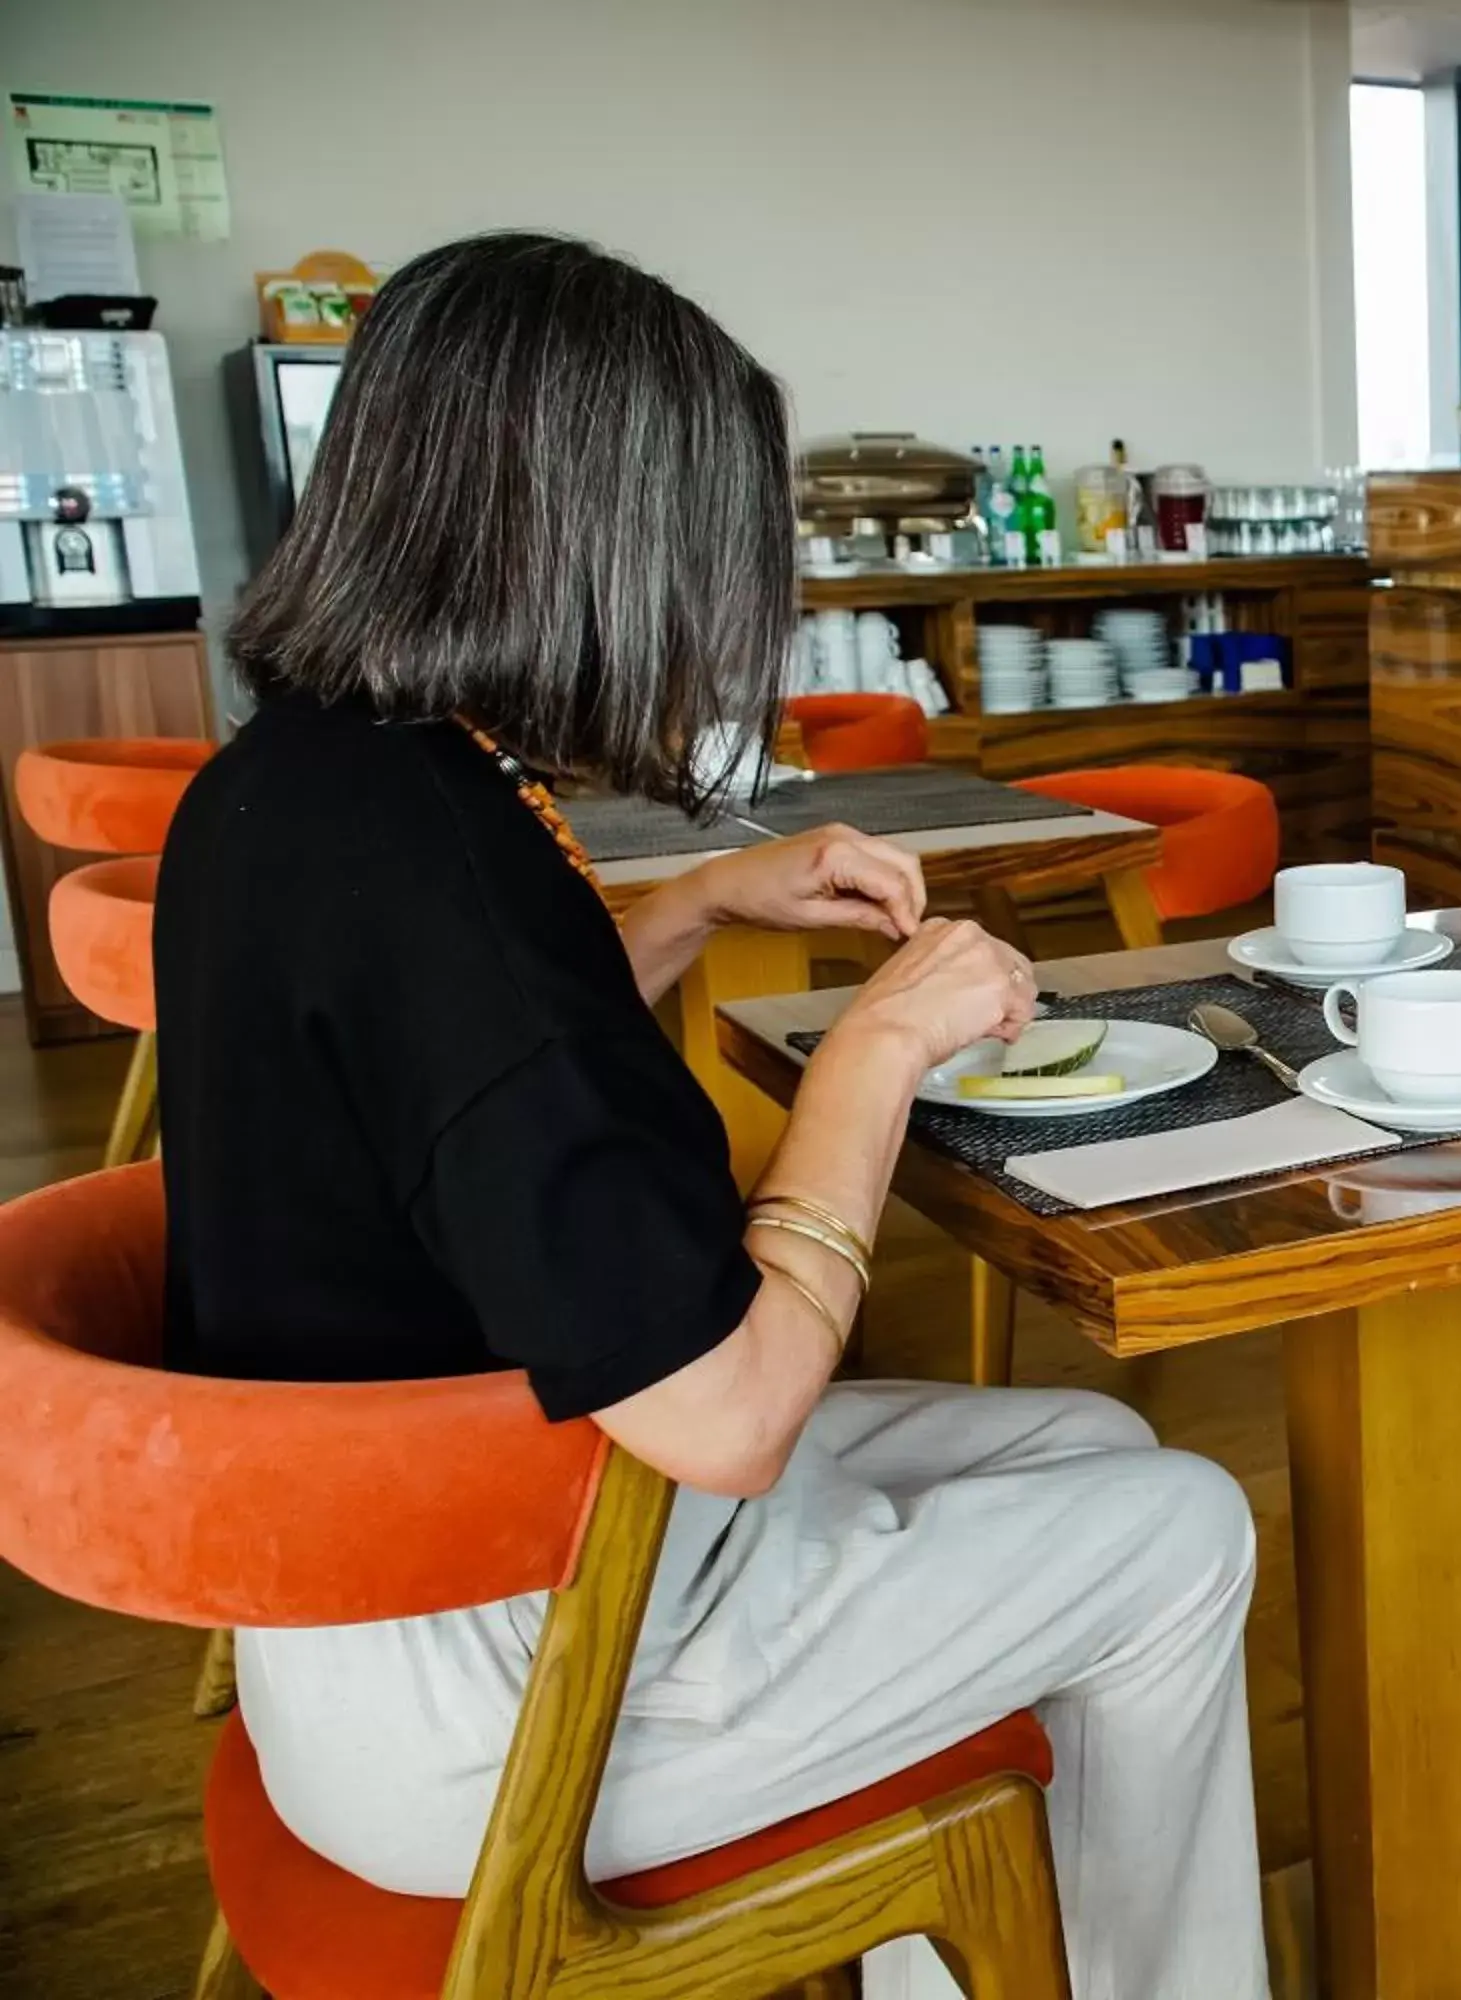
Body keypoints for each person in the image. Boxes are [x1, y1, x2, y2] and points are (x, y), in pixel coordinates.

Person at [154, 233, 1265, 2000]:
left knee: (1096, 1458)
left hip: (392, 1571)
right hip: (498, 1703)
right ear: (599, 539)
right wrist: (874, 1058)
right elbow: (736, 1410)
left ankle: (990, 1951)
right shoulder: (444, 876)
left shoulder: (304, 784)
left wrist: (707, 900)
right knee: (1189, 1526)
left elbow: (458, 1073)